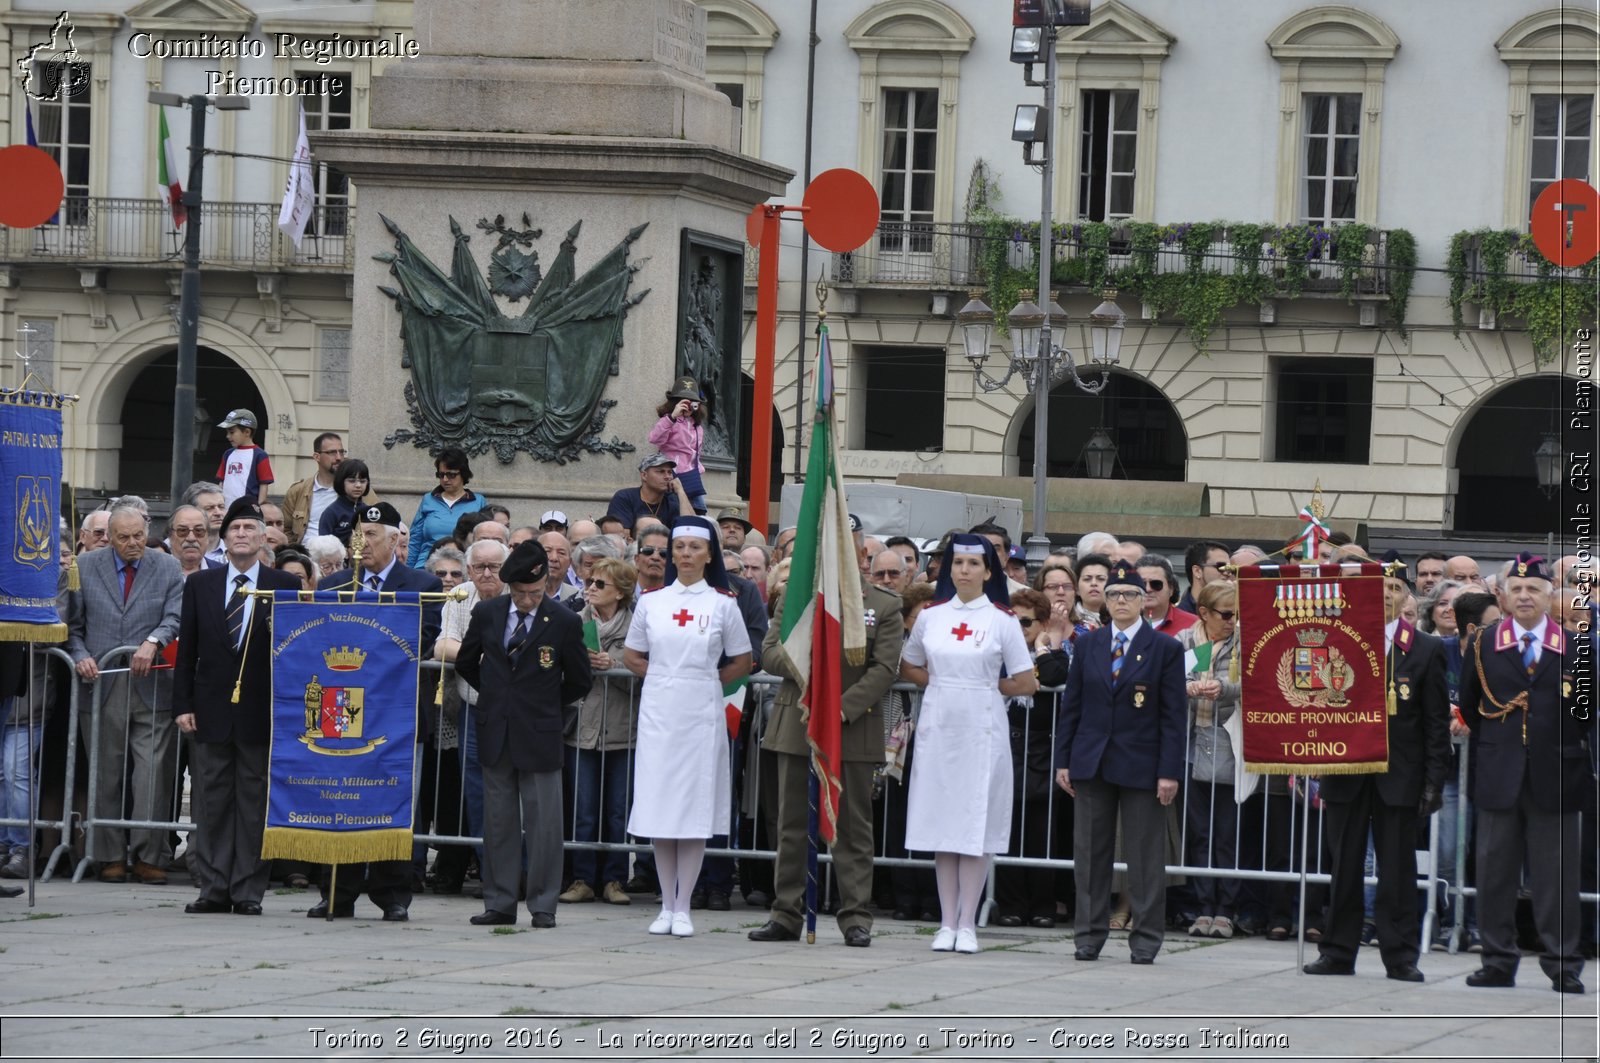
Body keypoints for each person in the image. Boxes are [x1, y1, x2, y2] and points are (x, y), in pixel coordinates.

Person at [747, 527, 904, 948]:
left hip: (850, 727)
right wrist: (809, 653)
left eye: (848, 554)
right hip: (797, 722)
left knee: (851, 827)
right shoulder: (796, 599)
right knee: (792, 825)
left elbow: (885, 668)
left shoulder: (883, 606)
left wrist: (838, 707)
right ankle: (786, 914)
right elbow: (771, 653)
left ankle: (855, 917)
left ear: (861, 560)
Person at [1304, 553, 1449, 982]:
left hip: (1400, 773)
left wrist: (1433, 781)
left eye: (1393, 588)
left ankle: (1400, 955)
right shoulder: (1337, 641)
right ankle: (1337, 950)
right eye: (1377, 587)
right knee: (1344, 864)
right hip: (1346, 768)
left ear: (1405, 595)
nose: (1385, 595)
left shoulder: (1424, 648)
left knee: (1397, 868)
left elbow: (1435, 723)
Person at [1460, 553, 1593, 994]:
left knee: (1557, 876)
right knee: (1495, 871)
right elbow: (1473, 705)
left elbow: (1589, 714)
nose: (1523, 596)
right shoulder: (1484, 643)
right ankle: (1497, 959)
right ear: (1501, 594)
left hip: (1557, 772)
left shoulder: (1576, 647)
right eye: (1515, 589)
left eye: (1533, 589)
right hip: (1500, 771)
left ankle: (1563, 963)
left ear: (1549, 595)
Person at [898, 534, 1036, 955]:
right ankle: (946, 921)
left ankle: (968, 924)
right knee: (944, 825)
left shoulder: (1002, 620)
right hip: (939, 725)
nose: (963, 571)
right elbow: (911, 662)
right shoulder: (932, 616)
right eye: (958, 562)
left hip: (982, 727)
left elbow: (1026, 679)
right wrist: (940, 683)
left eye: (973, 564)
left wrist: (984, 687)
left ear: (988, 571)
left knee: (975, 827)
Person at [310, 503, 443, 921]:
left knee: (393, 802)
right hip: (343, 710)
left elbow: (422, 639)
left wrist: (364, 647)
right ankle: (338, 889)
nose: (360, 542)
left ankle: (392, 892)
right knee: (343, 798)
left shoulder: (421, 584)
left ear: (394, 541)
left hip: (398, 713)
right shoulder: (333, 585)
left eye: (370, 535)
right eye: (357, 534)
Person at [622, 515, 753, 938]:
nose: (685, 555)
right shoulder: (652, 602)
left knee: (693, 809)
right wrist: (663, 676)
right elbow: (632, 654)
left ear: (709, 554)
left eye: (695, 548)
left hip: (701, 714)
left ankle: (684, 906)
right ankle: (665, 902)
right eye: (679, 548)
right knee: (662, 808)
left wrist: (706, 681)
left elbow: (742, 660)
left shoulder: (723, 603)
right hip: (660, 712)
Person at [172, 499, 300, 915]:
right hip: (209, 710)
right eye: (235, 528)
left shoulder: (284, 585)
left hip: (260, 713)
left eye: (250, 527)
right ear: (222, 538)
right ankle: (213, 887)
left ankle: (247, 889)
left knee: (253, 802)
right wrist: (183, 704)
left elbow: (292, 654)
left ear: (264, 538)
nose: (242, 533)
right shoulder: (201, 586)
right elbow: (187, 650)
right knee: (211, 801)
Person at [455, 540, 592, 928]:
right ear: (509, 587)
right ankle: (499, 901)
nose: (528, 601)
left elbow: (580, 679)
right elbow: (467, 662)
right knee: (498, 822)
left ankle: (543, 903)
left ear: (545, 584)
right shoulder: (488, 613)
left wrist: (546, 705)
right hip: (496, 729)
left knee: (544, 822)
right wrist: (497, 695)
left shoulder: (563, 620)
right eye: (521, 594)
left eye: (534, 593)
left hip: (541, 732)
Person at [1055, 562, 1185, 964]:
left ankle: (1145, 938)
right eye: (1114, 595)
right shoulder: (1091, 644)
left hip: (1143, 764)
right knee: (1090, 855)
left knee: (1145, 857)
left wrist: (1169, 772)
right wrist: (1064, 760)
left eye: (1129, 594)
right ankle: (1088, 935)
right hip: (1092, 761)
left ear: (1143, 601)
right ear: (1105, 601)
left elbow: (1172, 716)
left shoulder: (1165, 648)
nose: (1121, 601)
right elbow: (1072, 706)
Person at [561, 557, 641, 908]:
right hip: (582, 729)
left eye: (599, 584)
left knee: (618, 810)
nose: (590, 589)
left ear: (621, 592)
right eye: (589, 582)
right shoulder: (572, 624)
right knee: (584, 808)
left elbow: (650, 679)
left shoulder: (639, 627)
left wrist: (616, 667)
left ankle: (614, 879)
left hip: (625, 729)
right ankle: (582, 879)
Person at [433, 538, 509, 894]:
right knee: (477, 793)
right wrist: (484, 657)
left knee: (514, 793)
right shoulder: (460, 596)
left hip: (515, 713)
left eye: (494, 566)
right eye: (479, 567)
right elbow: (442, 644)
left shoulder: (519, 594)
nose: (487, 573)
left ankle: (517, 872)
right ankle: (491, 872)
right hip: (473, 708)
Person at [992, 588, 1068, 929]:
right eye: (1014, 620)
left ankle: (1042, 905)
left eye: (1026, 621)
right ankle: (1010, 904)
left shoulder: (1054, 654)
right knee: (1006, 832)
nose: (1019, 626)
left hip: (1040, 753)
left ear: (1043, 623)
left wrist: (1041, 648)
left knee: (1040, 835)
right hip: (1004, 749)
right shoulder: (996, 653)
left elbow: (1053, 677)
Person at [1174, 581, 1246, 939]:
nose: (1234, 621)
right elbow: (1167, 679)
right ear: (1204, 613)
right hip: (1192, 744)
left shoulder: (1245, 642)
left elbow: (1254, 683)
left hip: (1231, 746)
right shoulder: (1187, 641)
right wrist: (1182, 686)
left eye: (1238, 614)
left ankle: (1227, 910)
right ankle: (1204, 908)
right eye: (1227, 615)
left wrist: (1226, 689)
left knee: (1227, 835)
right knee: (1199, 832)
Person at [407, 447, 490, 568]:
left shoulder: (478, 501)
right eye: (441, 475)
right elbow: (415, 541)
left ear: (463, 474)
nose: (445, 480)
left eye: (451, 475)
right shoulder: (428, 500)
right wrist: (407, 572)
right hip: (426, 567)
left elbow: (485, 540)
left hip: (463, 568)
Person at [649, 376, 708, 514]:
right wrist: (672, 417)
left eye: (693, 402)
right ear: (676, 402)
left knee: (699, 513)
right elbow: (655, 438)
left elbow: (695, 453)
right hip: (673, 475)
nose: (689, 406)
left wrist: (699, 470)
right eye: (685, 401)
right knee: (674, 512)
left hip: (691, 477)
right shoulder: (669, 420)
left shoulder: (697, 427)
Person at [282, 432, 347, 542]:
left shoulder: (354, 489)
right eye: (332, 452)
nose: (339, 457)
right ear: (317, 457)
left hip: (340, 554)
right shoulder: (298, 491)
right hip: (304, 554)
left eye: (341, 452)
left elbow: (374, 522)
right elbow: (285, 529)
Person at [608, 453, 682, 532]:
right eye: (661, 471)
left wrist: (681, 491)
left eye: (670, 472)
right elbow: (622, 536)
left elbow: (691, 529)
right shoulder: (625, 497)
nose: (667, 477)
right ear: (644, 475)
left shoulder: (672, 500)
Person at [213, 409, 273, 507]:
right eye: (227, 432)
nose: (228, 436)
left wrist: (260, 507)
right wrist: (219, 503)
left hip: (248, 510)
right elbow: (221, 481)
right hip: (226, 509)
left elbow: (264, 484)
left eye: (232, 432)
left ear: (247, 432)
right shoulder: (227, 454)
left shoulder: (260, 455)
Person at [317, 458, 373, 547]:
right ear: (341, 482)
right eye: (352, 481)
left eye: (362, 481)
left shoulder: (368, 511)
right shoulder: (331, 512)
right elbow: (324, 546)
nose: (358, 485)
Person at [1137, 555, 1197, 635]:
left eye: (1156, 584)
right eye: (1142, 584)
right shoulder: (1121, 622)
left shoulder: (1194, 625)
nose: (1148, 589)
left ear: (1171, 589)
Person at [1180, 540, 1230, 613]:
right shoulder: (1179, 614)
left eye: (1230, 568)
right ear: (1197, 571)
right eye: (1221, 566)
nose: (1227, 573)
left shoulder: (1235, 610)